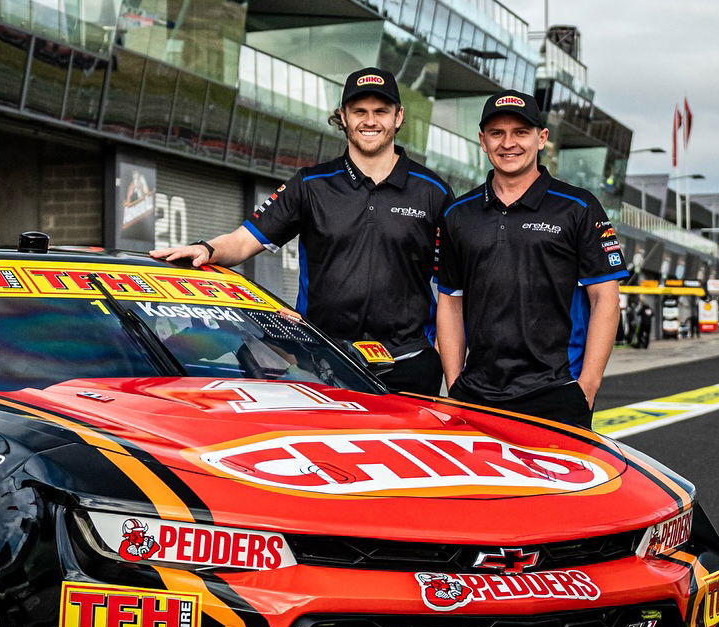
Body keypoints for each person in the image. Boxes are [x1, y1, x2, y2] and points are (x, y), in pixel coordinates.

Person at [149, 67, 453, 396]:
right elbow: (242, 241)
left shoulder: (433, 191)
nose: (370, 121)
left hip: (408, 366)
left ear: (398, 117)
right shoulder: (310, 184)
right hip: (323, 362)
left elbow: (454, 289)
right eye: (359, 112)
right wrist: (207, 249)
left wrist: (444, 363)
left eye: (381, 111)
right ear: (343, 116)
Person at [434, 91, 628, 430]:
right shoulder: (457, 213)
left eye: (521, 132)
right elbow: (450, 301)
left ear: (541, 139)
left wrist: (587, 386)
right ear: (482, 140)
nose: (508, 143)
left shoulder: (578, 207)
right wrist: (454, 383)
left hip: (557, 391)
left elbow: (606, 299)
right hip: (476, 394)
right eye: (497, 133)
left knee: (558, 486)